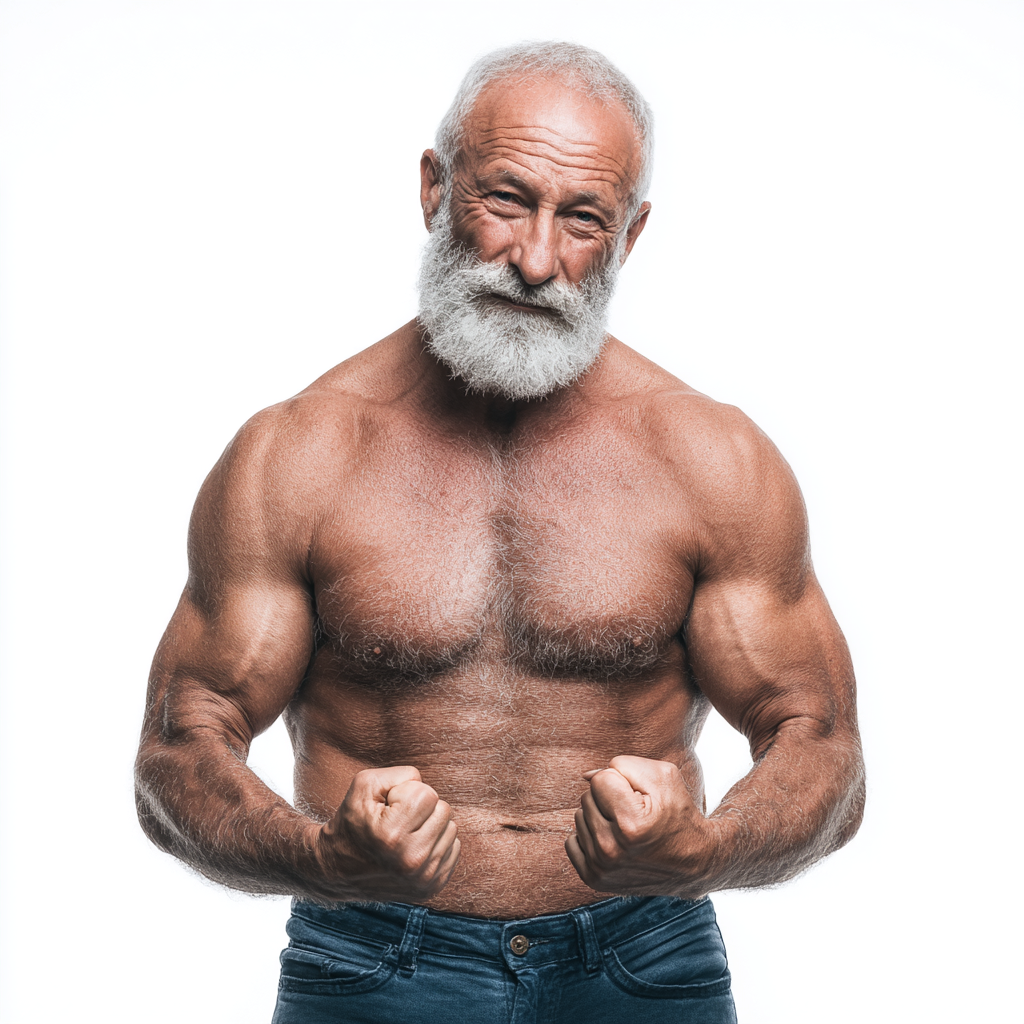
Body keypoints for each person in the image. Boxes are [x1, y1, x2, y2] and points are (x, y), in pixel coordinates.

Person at [135, 41, 864, 1024]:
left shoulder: (709, 458)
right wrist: (322, 858)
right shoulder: (298, 455)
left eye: (581, 221)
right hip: (374, 956)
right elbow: (180, 753)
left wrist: (705, 848)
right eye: (506, 200)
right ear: (434, 187)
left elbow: (820, 745)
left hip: (643, 958)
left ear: (630, 235)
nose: (534, 260)